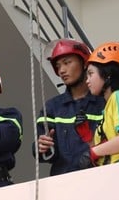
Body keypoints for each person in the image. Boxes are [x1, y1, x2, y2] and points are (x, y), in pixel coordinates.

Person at [35, 39, 105, 175]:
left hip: (100, 178)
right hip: (63, 183)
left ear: (84, 63)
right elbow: (45, 154)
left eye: (67, 63)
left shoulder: (104, 102)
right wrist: (41, 147)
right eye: (58, 66)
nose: (61, 70)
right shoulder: (51, 107)